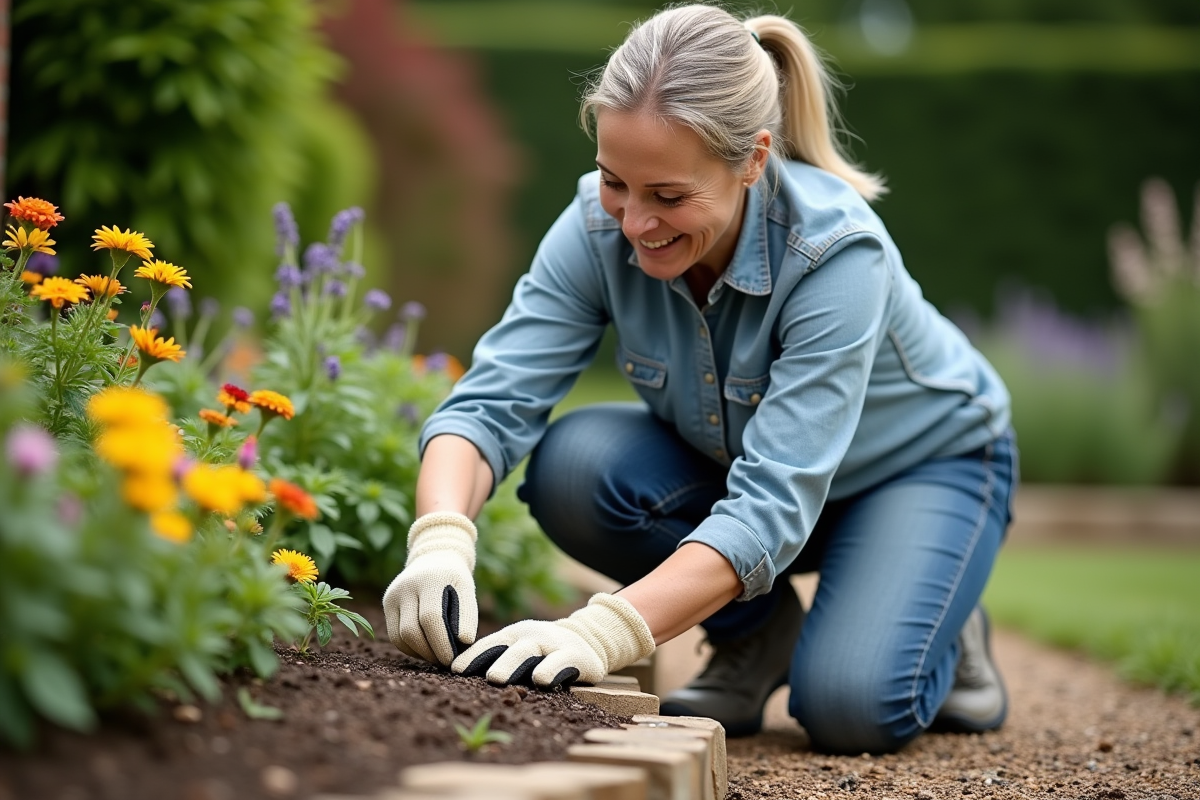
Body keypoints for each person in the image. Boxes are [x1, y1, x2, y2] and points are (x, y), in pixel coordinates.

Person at [382, 3, 1017, 755]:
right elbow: (493, 398)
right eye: (615, 180)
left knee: (848, 708)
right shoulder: (595, 225)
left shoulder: (836, 256)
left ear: (752, 159)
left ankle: (943, 613)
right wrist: (440, 540)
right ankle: (759, 634)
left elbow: (772, 504)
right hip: (758, 478)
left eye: (669, 197)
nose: (634, 223)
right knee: (576, 468)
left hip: (919, 470)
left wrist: (603, 629)